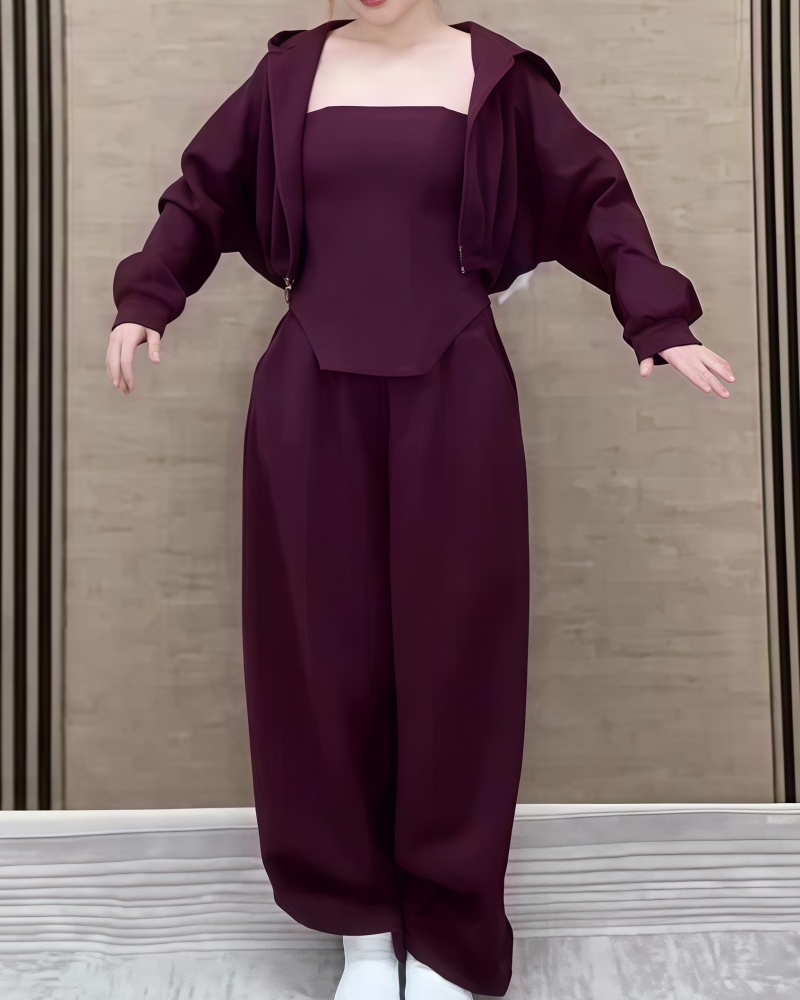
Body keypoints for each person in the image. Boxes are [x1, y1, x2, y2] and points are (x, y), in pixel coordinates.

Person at [106, 2, 735, 997]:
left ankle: (445, 934)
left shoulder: (500, 80)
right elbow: (200, 196)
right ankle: (360, 929)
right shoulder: (285, 78)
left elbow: (594, 198)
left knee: (457, 659)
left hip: (457, 390)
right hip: (309, 397)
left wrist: (655, 318)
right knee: (318, 660)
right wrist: (148, 298)